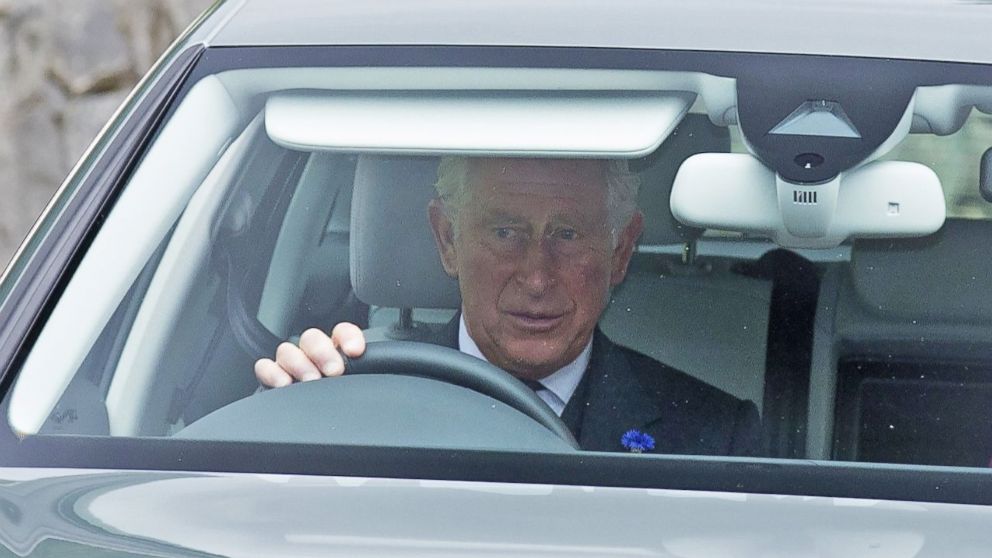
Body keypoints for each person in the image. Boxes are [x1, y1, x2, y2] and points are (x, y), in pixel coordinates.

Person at [254, 156, 762, 455]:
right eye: (505, 233)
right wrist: (290, 417)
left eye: (567, 234)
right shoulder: (348, 402)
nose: (537, 276)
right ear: (448, 240)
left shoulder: (712, 437)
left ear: (620, 250)